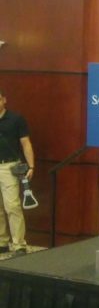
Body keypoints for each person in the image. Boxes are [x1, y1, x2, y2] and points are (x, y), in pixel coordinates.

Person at [0, 89, 35, 254]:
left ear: (4, 100)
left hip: (9, 167)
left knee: (12, 206)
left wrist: (31, 166)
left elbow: (25, 143)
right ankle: (2, 242)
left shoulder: (16, 119)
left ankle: (19, 244)